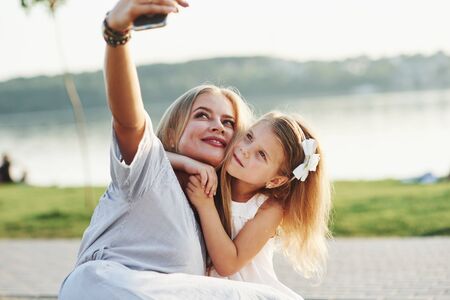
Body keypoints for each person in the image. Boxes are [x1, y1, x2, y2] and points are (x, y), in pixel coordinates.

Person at [59, 0, 293, 299]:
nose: (218, 126)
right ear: (172, 131)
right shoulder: (147, 170)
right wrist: (117, 33)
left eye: (228, 122)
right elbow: (128, 120)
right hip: (107, 286)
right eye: (202, 115)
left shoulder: (208, 214)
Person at [175, 112, 331, 299]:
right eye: (249, 137)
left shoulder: (269, 209)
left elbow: (228, 264)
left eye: (261, 155)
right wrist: (185, 162)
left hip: (249, 291)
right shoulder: (215, 177)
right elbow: (156, 157)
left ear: (275, 180)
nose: (245, 150)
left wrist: (205, 206)